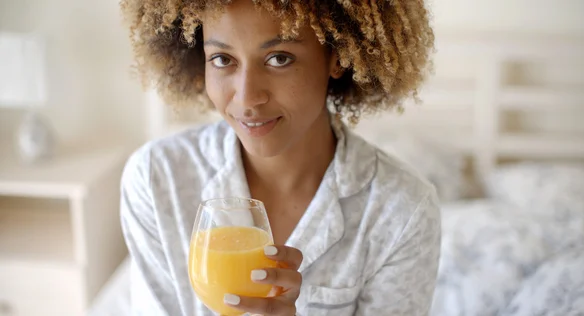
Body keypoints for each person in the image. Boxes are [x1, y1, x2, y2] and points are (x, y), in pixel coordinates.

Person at [119, 0, 441, 315]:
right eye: (221, 59)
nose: (247, 98)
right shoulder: (157, 178)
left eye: (279, 58)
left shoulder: (404, 210)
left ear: (337, 55)